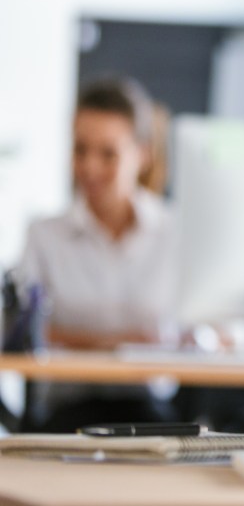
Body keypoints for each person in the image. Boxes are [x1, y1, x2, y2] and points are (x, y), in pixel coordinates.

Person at [14, 77, 180, 429]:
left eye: (108, 153)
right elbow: (23, 329)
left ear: (143, 154)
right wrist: (122, 343)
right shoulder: (45, 235)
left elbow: (200, 327)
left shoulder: (174, 233)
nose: (89, 168)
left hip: (150, 410)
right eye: (80, 150)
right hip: (66, 410)